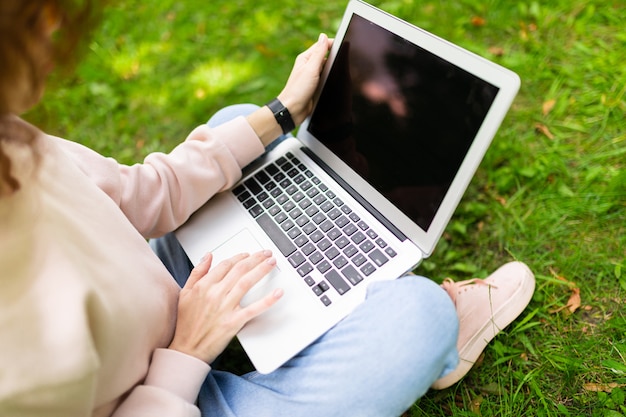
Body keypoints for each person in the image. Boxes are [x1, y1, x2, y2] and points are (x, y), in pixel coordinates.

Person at [0, 1, 536, 416]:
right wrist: (186, 353)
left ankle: (321, 292)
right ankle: (421, 333)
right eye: (31, 24)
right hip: (156, 399)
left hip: (155, 307)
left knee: (244, 127)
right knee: (419, 317)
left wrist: (281, 114)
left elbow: (142, 191)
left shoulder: (12, 139)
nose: (53, 33)